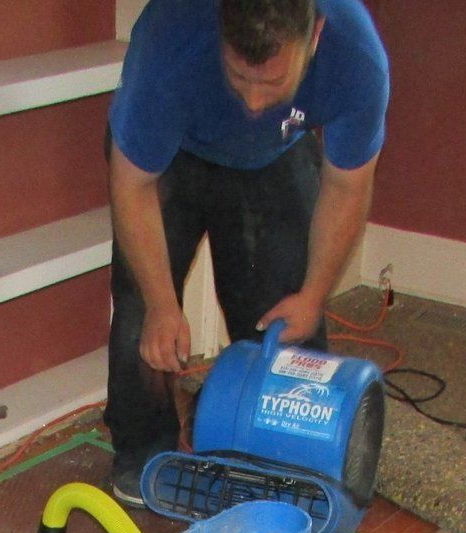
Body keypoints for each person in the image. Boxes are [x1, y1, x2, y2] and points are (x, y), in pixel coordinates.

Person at [104, 0, 390, 503]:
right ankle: (144, 451)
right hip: (172, 155)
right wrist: (161, 304)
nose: (255, 103)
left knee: (287, 325)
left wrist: (313, 295)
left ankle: (283, 461)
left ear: (316, 37)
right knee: (143, 317)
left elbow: (347, 188)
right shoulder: (173, 42)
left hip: (274, 155)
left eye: (274, 83)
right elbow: (132, 184)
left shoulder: (356, 57)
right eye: (240, 76)